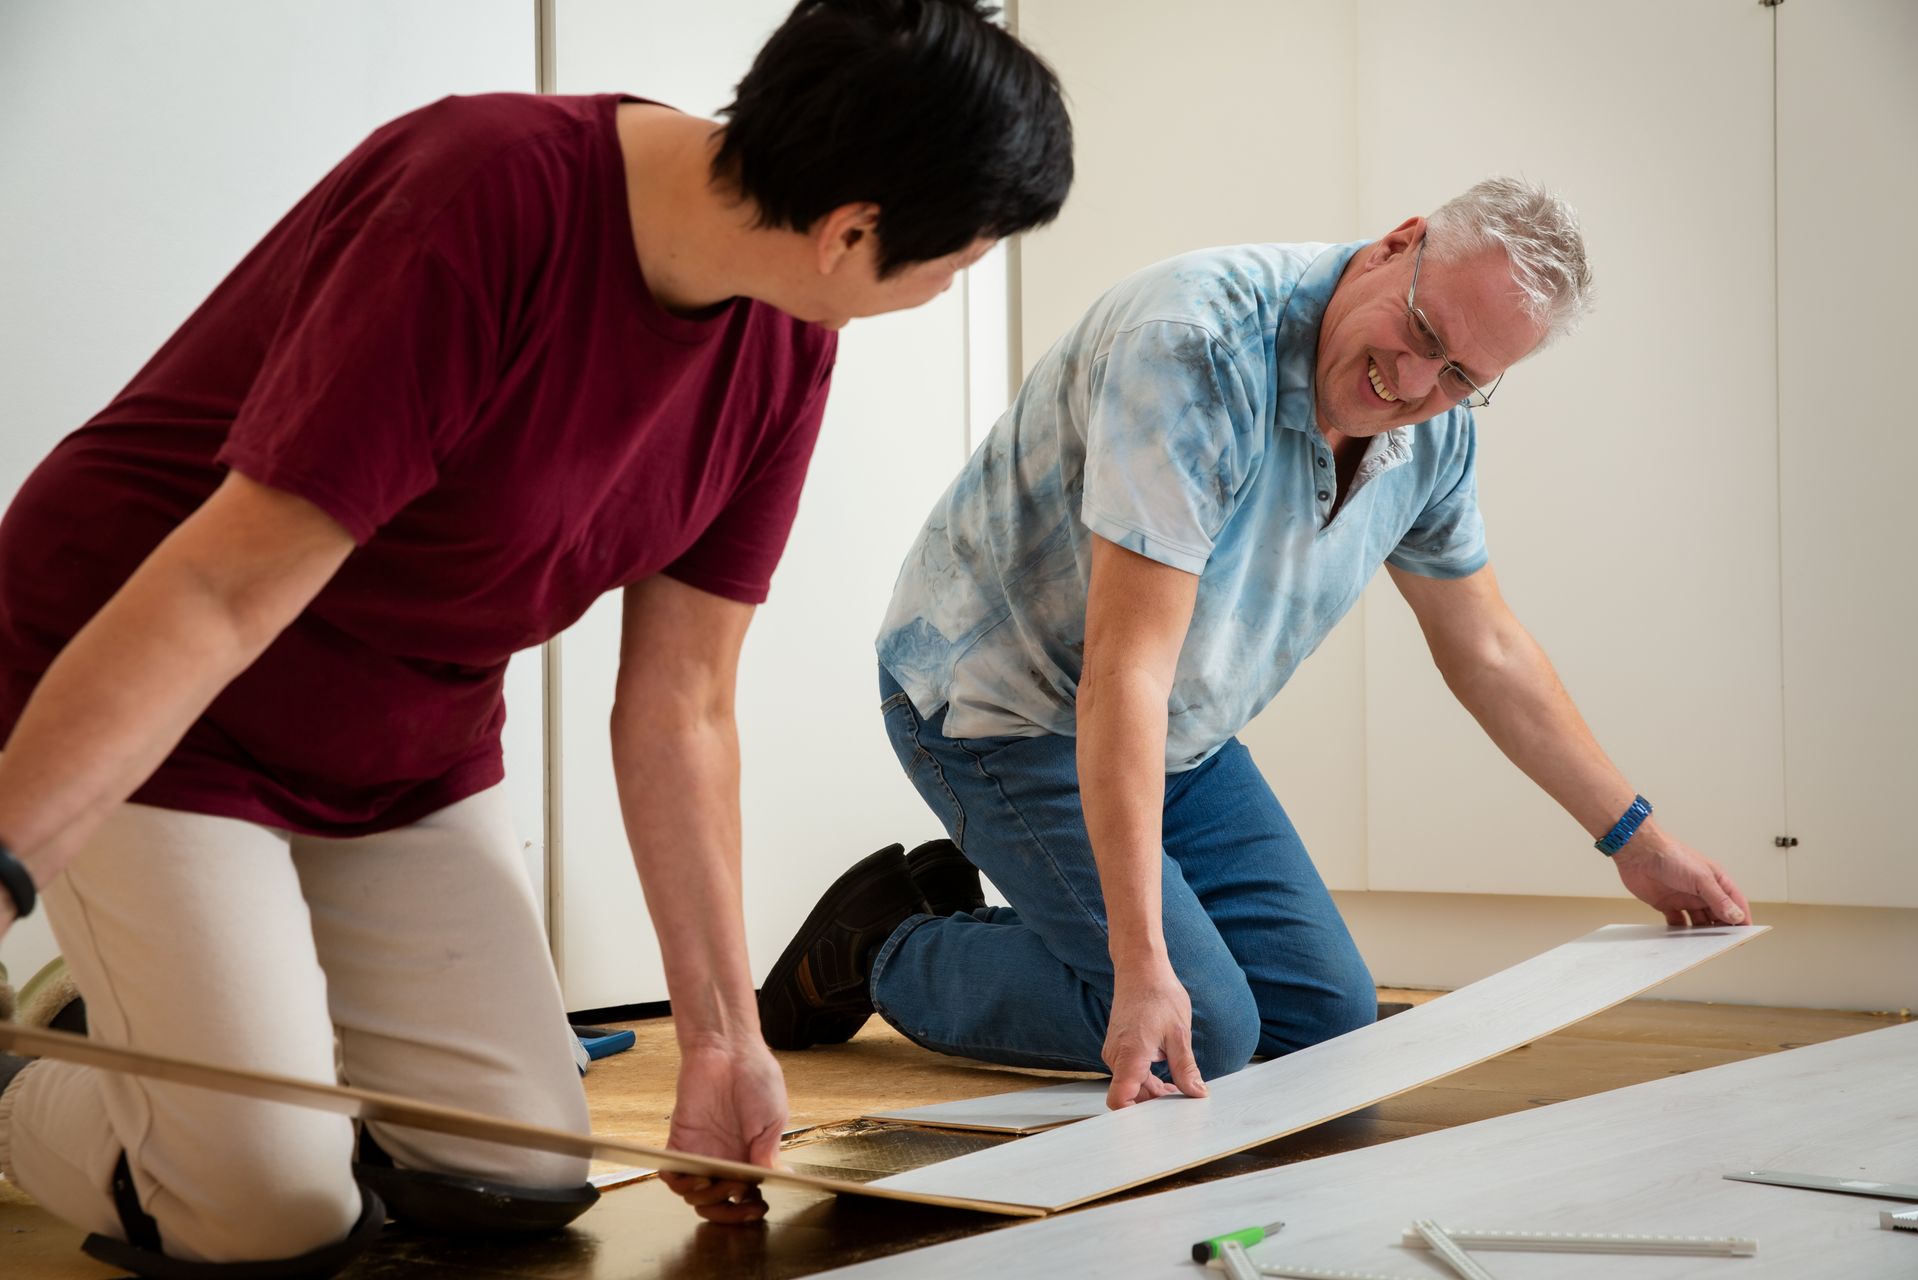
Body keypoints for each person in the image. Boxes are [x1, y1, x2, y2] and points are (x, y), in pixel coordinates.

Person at [0, 1, 1071, 1273]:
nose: (954, 284)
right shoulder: (483, 197)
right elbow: (219, 598)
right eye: (957, 259)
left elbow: (683, 702)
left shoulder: (788, 332)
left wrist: (725, 1033)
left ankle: (182, 1026)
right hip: (158, 683)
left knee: (509, 1177)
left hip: (404, 730)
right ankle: (44, 1070)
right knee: (269, 1209)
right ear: (851, 233)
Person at [760, 177, 1752, 1115]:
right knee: (1213, 1025)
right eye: (1420, 331)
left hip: (1178, 731)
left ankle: (1095, 949)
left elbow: (1485, 645)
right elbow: (1125, 668)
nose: (1412, 381)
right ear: (1395, 245)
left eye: (1460, 375)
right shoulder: (1192, 348)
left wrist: (1641, 841)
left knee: (1328, 1023)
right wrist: (1145, 967)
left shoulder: (1435, 434)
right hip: (998, 708)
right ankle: (886, 944)